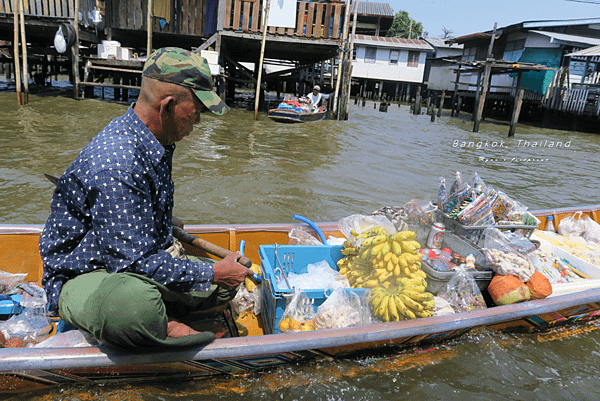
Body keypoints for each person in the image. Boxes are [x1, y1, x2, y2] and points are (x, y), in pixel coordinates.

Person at [39, 47, 254, 350]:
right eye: (196, 113)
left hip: (133, 261)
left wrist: (161, 219)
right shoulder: (118, 162)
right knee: (136, 307)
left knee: (222, 291)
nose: (198, 124)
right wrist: (214, 270)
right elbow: (134, 264)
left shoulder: (156, 139)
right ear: (167, 106)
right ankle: (158, 322)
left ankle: (159, 313)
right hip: (85, 273)